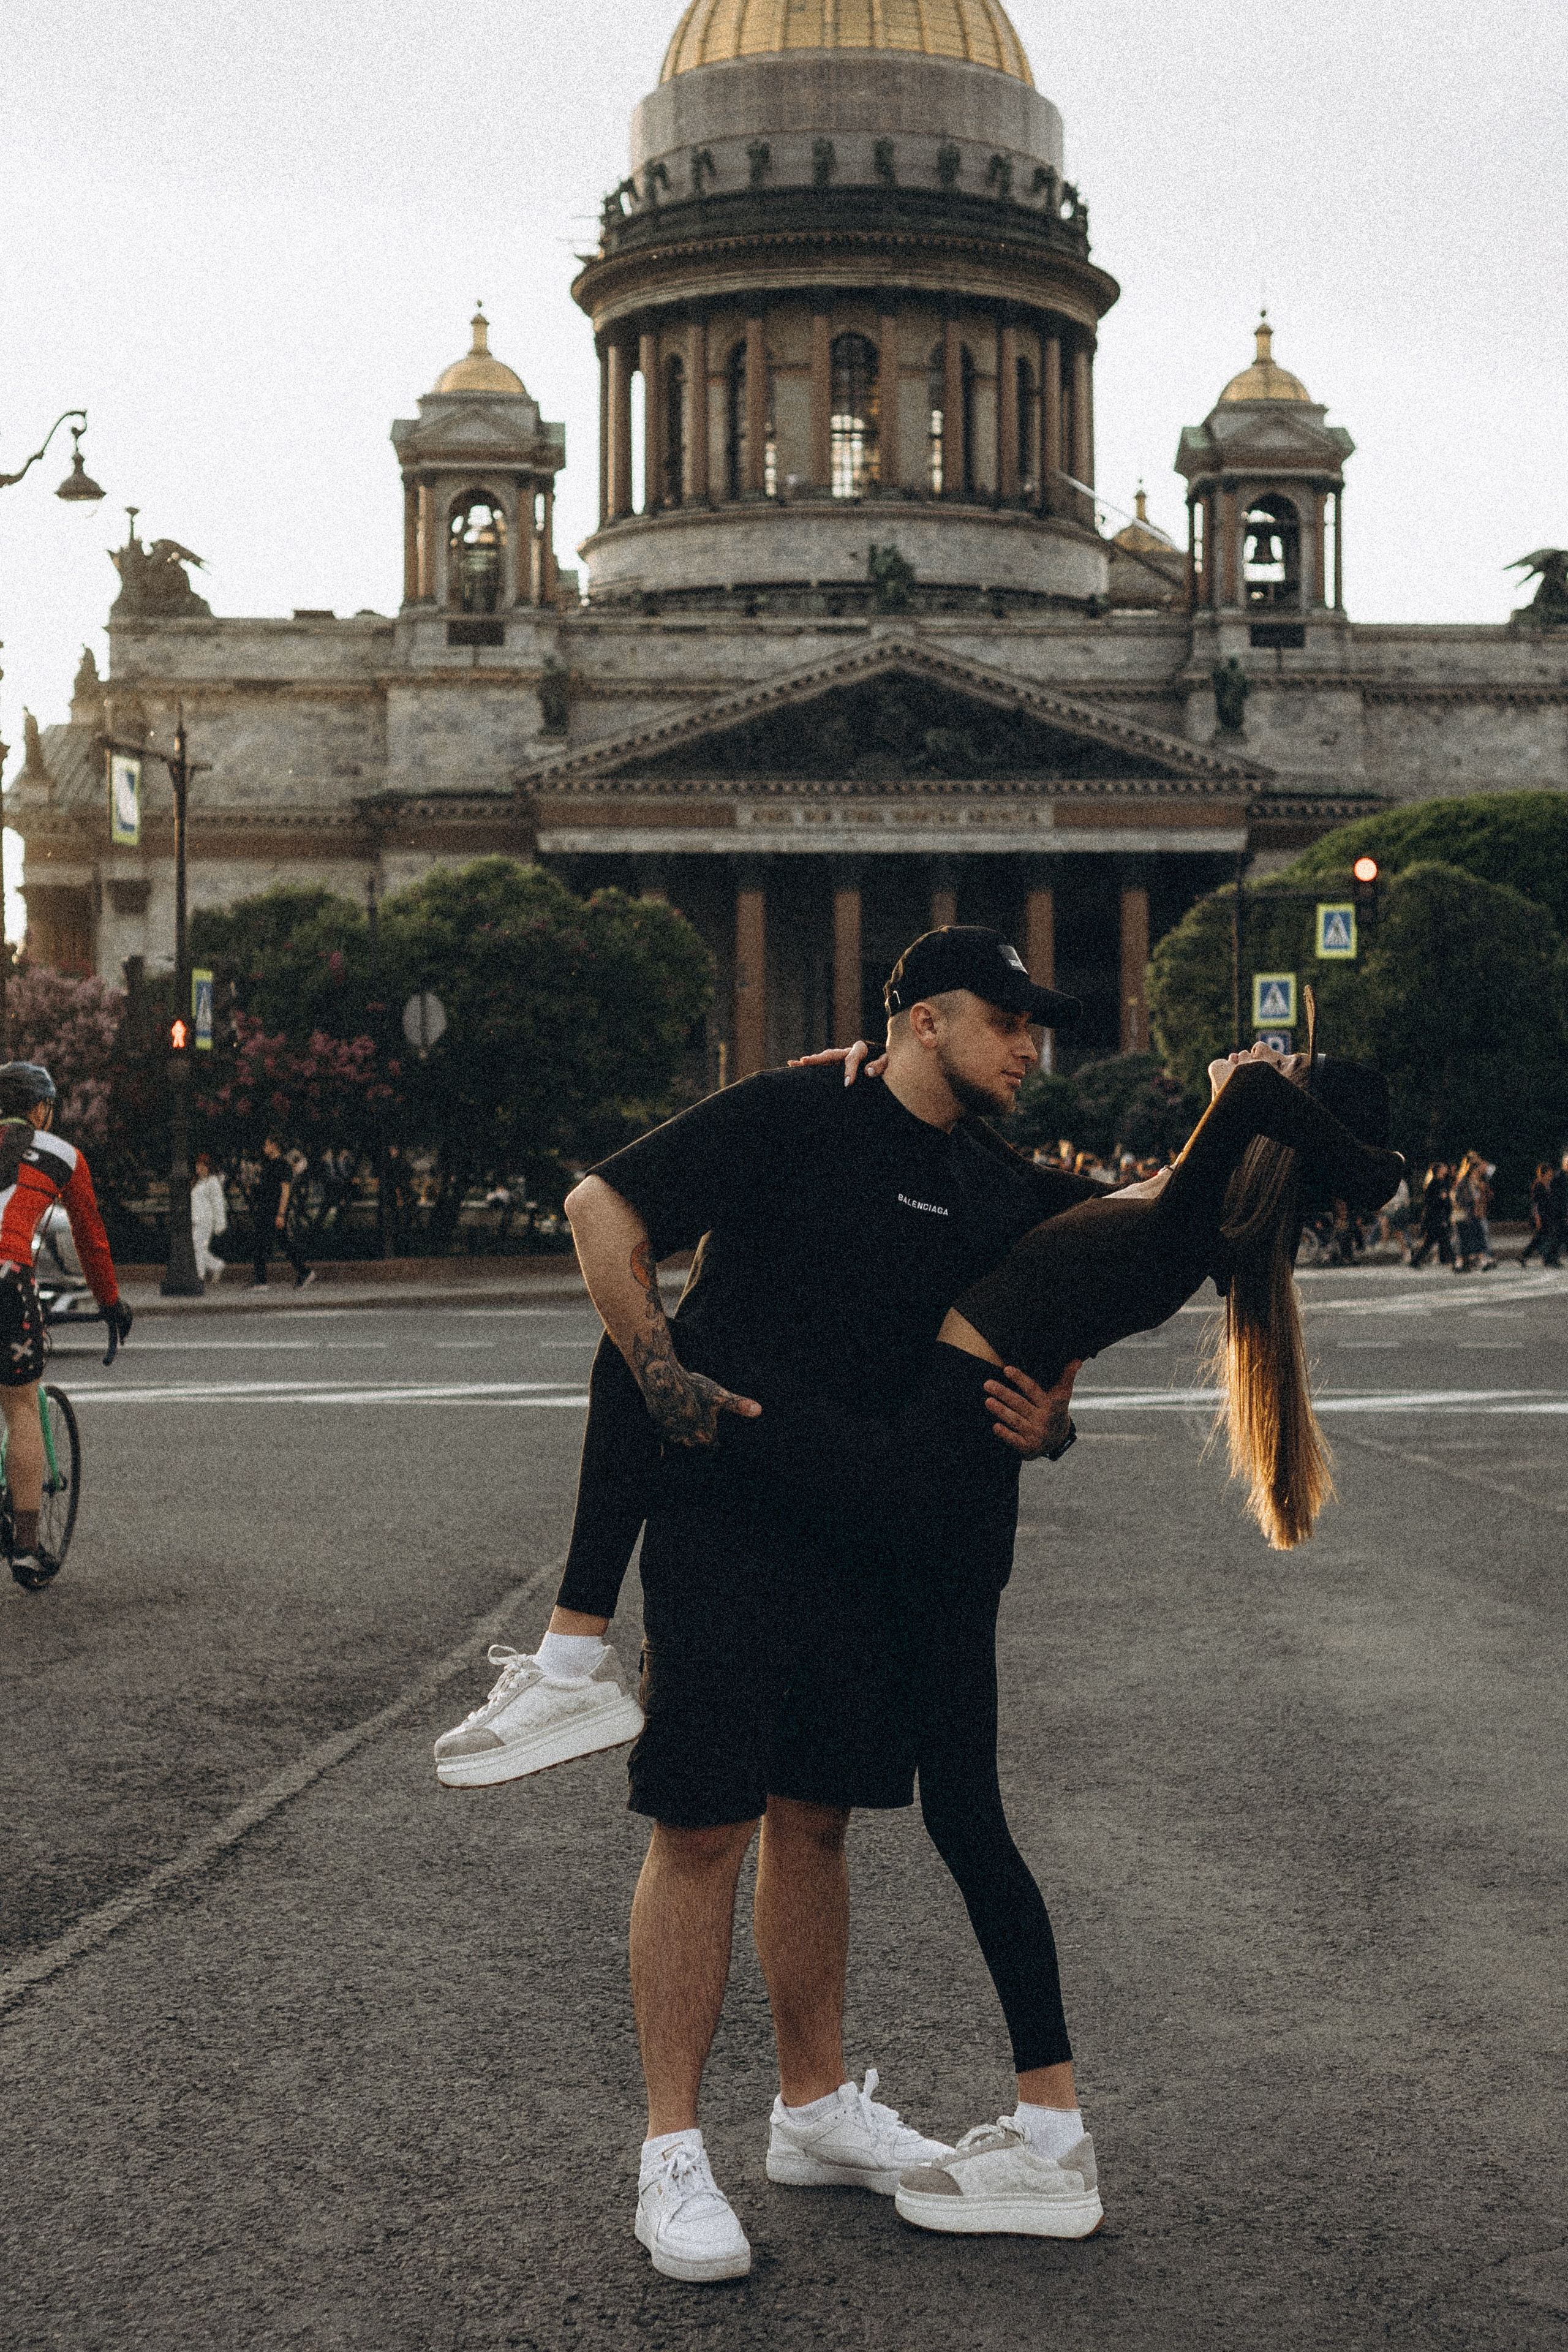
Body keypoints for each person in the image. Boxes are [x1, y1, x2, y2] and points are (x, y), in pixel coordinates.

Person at [438, 928, 1094, 2282]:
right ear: (920, 1022)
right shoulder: (797, 1109)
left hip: (864, 1540)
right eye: (1005, 1021)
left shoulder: (985, 1177)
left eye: (1037, 1024)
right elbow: (596, 1214)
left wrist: (1053, 1418)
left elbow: (1085, 1267)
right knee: (705, 1824)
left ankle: (811, 2112)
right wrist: (661, 1381)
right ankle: (669, 2154)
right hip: (729, 1522)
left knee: (818, 1817)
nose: (1030, 1045)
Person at [0, 1061, 133, 1587]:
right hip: (8, 1280)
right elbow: (90, 1238)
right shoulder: (62, 1156)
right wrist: (111, 1301)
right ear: (39, 1110)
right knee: (21, 1407)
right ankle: (28, 1550)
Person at [249, 1134, 314, 1290]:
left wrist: (281, 1214)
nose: (264, 1148)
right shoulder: (268, 1164)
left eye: (267, 1145)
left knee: (281, 1244)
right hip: (265, 1210)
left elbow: (286, 1191)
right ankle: (262, 1280)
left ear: (274, 1146)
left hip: (274, 1211)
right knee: (263, 1244)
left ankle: (304, 1272)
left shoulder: (283, 1165)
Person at [190, 1152, 229, 1287]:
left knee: (198, 1248)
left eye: (203, 1166)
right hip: (196, 1220)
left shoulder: (213, 1182)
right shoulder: (198, 1182)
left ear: (208, 1167)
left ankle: (200, 1276)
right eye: (198, 1166)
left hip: (206, 1221)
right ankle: (217, 1265)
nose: (200, 1169)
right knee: (198, 1248)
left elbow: (218, 1203)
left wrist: (220, 1224)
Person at [1408, 1162, 1454, 1268]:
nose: (1446, 1169)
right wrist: (1441, 1199)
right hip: (1436, 1218)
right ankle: (1454, 1261)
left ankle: (1416, 1261)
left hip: (1440, 1217)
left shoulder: (1443, 1183)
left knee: (1432, 1242)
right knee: (1443, 1240)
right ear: (1438, 1171)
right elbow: (1431, 1203)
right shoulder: (1433, 1184)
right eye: (1443, 1167)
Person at [1521, 1162, 1555, 1264]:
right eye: (1549, 1173)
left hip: (1547, 1214)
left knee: (1541, 1238)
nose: (1551, 1175)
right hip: (1541, 1214)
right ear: (1544, 1174)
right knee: (1541, 1238)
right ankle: (1546, 1258)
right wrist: (1537, 1218)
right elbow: (1536, 1203)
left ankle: (1525, 1256)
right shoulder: (1538, 1185)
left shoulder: (1548, 1185)